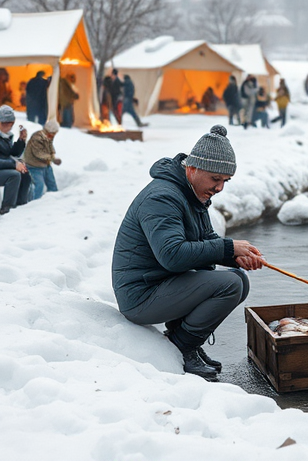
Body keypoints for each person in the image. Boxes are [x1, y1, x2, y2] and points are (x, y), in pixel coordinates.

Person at [112, 125, 265, 382]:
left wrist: (234, 256)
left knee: (239, 279)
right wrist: (228, 247)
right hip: (140, 295)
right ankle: (181, 346)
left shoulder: (192, 193)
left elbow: (206, 242)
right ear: (192, 168)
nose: (219, 188)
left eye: (225, 181)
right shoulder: (162, 197)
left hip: (162, 284)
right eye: (215, 179)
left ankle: (186, 341)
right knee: (228, 284)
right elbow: (172, 255)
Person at [24, 120, 61, 200]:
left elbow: (50, 146)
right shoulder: (37, 138)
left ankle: (55, 200)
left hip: (46, 165)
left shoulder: (49, 137)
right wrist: (52, 159)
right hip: (34, 167)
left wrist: (53, 156)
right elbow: (38, 153)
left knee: (52, 184)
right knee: (39, 185)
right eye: (53, 133)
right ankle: (35, 203)